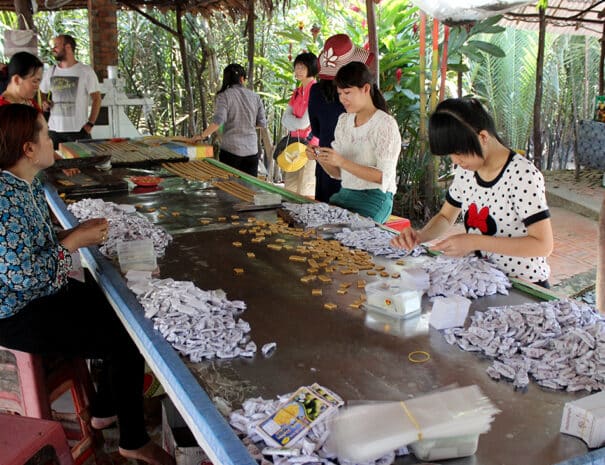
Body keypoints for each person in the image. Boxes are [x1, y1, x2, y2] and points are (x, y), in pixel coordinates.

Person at [0, 104, 174, 465]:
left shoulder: (27, 183)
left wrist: (74, 233)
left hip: (41, 290)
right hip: (17, 311)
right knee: (124, 336)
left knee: (119, 307)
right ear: (28, 149)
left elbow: (41, 243)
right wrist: (74, 241)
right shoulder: (4, 199)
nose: (54, 142)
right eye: (46, 135)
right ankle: (132, 440)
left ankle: (104, 408)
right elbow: (23, 275)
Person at [390, 97, 553, 287]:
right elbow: (445, 217)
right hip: (484, 281)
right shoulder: (465, 172)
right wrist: (421, 235)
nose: (455, 161)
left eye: (458, 153)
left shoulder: (523, 175)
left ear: (483, 137)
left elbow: (543, 245)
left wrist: (474, 241)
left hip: (523, 285)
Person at [307, 62, 401, 224]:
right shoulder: (344, 121)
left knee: (345, 236)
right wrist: (320, 157)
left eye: (347, 93)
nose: (342, 99)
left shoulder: (385, 124)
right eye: (340, 93)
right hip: (345, 194)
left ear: (365, 89)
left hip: (375, 198)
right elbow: (337, 173)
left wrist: (342, 161)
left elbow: (383, 176)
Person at [307, 34, 374, 202]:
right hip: (357, 169)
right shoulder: (364, 93)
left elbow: (316, 130)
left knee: (325, 220)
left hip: (327, 162)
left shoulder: (316, 92)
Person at [192, 63, 266, 177]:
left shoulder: (224, 96)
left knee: (229, 188)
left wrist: (202, 136)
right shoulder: (255, 97)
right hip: (251, 151)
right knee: (249, 190)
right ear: (242, 79)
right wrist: (246, 124)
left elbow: (218, 121)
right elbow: (261, 123)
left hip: (231, 151)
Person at [40, 34, 101, 149]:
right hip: (54, 131)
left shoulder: (85, 71)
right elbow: (42, 91)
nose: (53, 49)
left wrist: (90, 123)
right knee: (54, 166)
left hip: (78, 130)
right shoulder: (51, 71)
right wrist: (45, 101)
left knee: (84, 164)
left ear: (67, 47)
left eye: (56, 46)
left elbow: (97, 98)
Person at [277, 52, 318, 197]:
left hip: (309, 147)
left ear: (311, 69)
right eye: (297, 67)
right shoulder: (297, 92)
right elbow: (284, 119)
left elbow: (303, 122)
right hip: (294, 144)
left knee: (305, 190)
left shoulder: (315, 91)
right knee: (290, 189)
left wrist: (293, 122)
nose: (298, 71)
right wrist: (297, 124)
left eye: (302, 67)